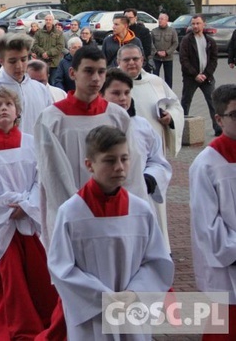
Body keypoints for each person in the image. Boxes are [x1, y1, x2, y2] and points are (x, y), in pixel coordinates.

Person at [48, 125, 174, 340]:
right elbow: (61, 268)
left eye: (124, 159)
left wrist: (135, 293)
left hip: (132, 309)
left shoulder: (140, 210)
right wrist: (104, 298)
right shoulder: (71, 212)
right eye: (109, 160)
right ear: (89, 164)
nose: (119, 167)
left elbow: (157, 261)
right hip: (93, 316)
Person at [34, 45, 146, 250]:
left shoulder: (117, 115)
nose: (96, 78)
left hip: (114, 212)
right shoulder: (52, 118)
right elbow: (53, 175)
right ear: (72, 73)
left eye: (101, 72)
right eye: (89, 71)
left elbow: (132, 167)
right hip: (73, 215)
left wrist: (129, 209)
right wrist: (79, 211)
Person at [0, 87, 57, 340]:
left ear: (17, 111)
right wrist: (14, 205)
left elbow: (42, 180)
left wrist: (27, 206)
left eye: (8, 104)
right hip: (2, 226)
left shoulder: (31, 144)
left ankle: (49, 320)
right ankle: (21, 327)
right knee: (14, 278)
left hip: (30, 221)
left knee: (40, 275)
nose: (3, 108)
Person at [101, 69, 174, 251]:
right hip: (104, 204)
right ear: (102, 95)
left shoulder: (142, 126)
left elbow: (158, 160)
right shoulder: (94, 126)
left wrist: (151, 178)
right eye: (116, 93)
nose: (123, 98)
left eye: (127, 93)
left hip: (139, 198)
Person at [189, 84, 236, 339]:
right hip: (228, 267)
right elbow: (207, 224)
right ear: (218, 119)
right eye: (235, 115)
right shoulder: (206, 164)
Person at [0, 33, 52, 137]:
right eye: (12, 61)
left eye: (23, 59)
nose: (19, 66)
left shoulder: (41, 90)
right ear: (1, 61)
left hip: (37, 151)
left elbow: (50, 127)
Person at [179, 14, 221, 136]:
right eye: (193, 24)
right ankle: (181, 128)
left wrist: (206, 74)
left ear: (204, 24)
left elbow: (214, 60)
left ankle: (218, 128)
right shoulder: (186, 40)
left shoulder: (210, 41)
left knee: (213, 102)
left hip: (207, 78)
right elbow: (183, 60)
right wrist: (195, 74)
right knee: (186, 102)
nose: (195, 26)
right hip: (191, 78)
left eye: (198, 23)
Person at [31, 14, 64, 83]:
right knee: (41, 82)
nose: (48, 21)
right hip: (42, 62)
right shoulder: (38, 33)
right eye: (46, 20)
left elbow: (60, 46)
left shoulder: (59, 33)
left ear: (53, 21)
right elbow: (34, 44)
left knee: (53, 82)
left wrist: (48, 53)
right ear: (44, 21)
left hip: (54, 63)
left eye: (50, 20)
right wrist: (42, 53)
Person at [151, 12, 178, 88]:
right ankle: (155, 91)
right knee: (154, 77)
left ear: (167, 20)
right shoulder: (154, 31)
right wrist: (156, 52)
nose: (160, 20)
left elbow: (175, 43)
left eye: (162, 19)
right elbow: (151, 43)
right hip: (156, 58)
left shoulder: (172, 31)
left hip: (168, 58)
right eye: (159, 19)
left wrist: (167, 52)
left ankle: (169, 93)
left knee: (168, 78)